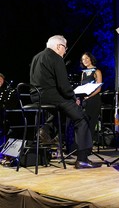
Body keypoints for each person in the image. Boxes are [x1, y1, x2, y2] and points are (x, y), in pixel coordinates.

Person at [30, 35, 101, 169]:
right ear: (58, 46)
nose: (65, 51)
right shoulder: (56, 58)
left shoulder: (36, 57)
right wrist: (74, 99)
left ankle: (46, 129)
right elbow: (64, 86)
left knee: (63, 112)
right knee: (82, 118)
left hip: (36, 96)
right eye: (65, 47)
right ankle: (82, 159)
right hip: (52, 97)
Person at [80, 52, 102, 142]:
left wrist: (89, 96)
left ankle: (89, 143)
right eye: (83, 59)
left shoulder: (97, 71)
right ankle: (83, 143)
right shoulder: (83, 73)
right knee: (83, 122)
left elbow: (99, 88)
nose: (84, 61)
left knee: (92, 122)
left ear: (91, 59)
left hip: (94, 99)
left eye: (86, 58)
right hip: (84, 100)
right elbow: (82, 87)